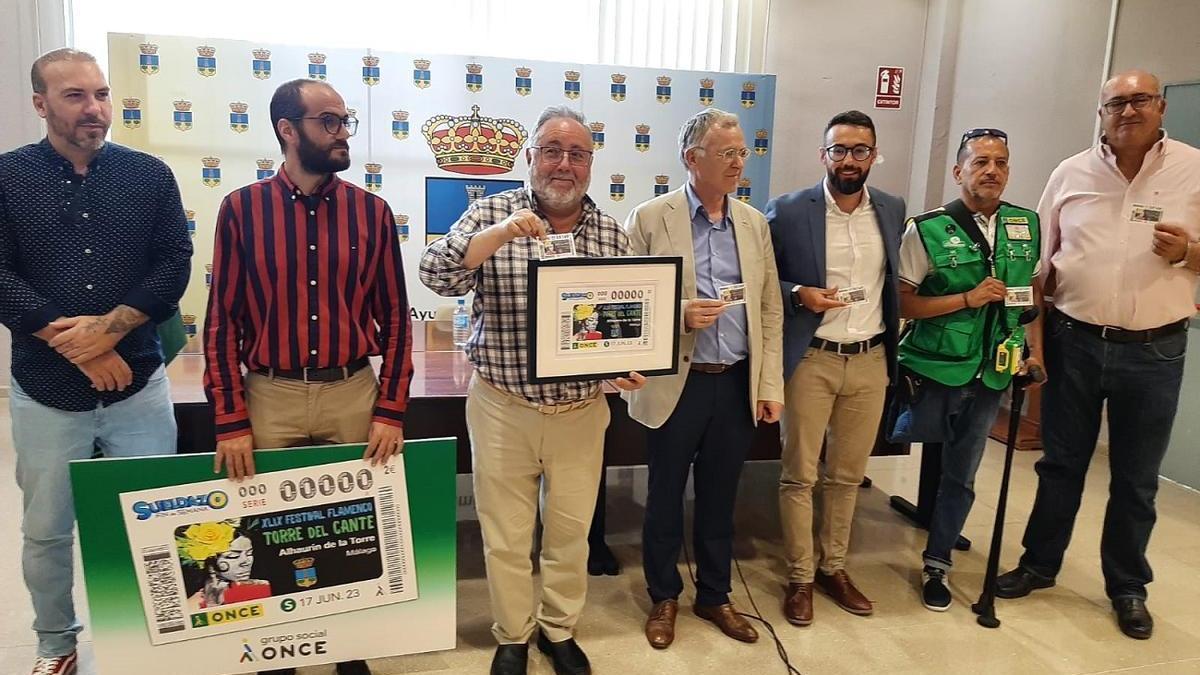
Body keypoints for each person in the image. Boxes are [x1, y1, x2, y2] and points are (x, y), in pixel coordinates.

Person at [419, 105, 644, 675]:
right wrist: (497, 236)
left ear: (591, 163)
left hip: (581, 410)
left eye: (577, 154)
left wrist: (620, 366)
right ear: (530, 157)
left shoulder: (611, 234)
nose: (563, 165)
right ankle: (513, 636)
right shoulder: (490, 211)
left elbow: (618, 325)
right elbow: (437, 275)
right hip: (503, 405)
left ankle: (558, 630)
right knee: (506, 535)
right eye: (552, 151)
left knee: (570, 532)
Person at [203, 78, 412, 675]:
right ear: (286, 130)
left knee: (352, 529)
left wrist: (390, 407)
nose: (343, 131)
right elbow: (221, 322)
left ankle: (349, 651)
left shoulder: (371, 213)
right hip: (270, 394)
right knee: (269, 533)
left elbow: (396, 318)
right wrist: (230, 419)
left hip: (352, 391)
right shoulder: (241, 209)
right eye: (328, 121)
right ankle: (279, 656)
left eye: (345, 119)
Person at [0, 48, 191, 675]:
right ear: (41, 104)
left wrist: (108, 333)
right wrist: (76, 349)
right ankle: (57, 645)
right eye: (76, 96)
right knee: (48, 532)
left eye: (102, 94)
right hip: (46, 390)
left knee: (153, 523)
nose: (96, 109)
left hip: (138, 384)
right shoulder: (7, 177)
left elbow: (173, 265)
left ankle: (151, 640)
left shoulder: (149, 175)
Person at [996, 69, 1200, 640]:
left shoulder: (1194, 168)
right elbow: (1038, 268)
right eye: (1116, 103)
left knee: (1136, 478)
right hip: (1075, 341)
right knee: (1061, 463)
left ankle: (1128, 586)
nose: (1127, 111)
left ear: (1161, 107)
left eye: (1139, 100)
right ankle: (1040, 563)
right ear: (1101, 112)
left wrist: (1189, 252)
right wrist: (1032, 346)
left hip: (1155, 349)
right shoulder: (1070, 173)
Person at [625, 108, 784, 650]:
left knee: (721, 496)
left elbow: (768, 309)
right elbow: (625, 305)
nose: (739, 163)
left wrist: (769, 386)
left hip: (736, 381)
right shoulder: (650, 218)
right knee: (665, 494)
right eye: (726, 153)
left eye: (742, 153)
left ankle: (714, 595)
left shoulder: (753, 222)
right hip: (678, 382)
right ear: (692, 159)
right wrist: (677, 315)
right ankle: (663, 595)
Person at [889, 127, 1043, 611]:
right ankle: (924, 519)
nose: (991, 171)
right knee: (904, 437)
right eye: (980, 162)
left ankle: (937, 562)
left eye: (1000, 162)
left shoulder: (1027, 224)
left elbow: (1030, 297)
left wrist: (1033, 352)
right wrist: (967, 298)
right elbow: (904, 303)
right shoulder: (929, 228)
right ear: (959, 172)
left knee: (963, 472)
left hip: (994, 370)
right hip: (936, 366)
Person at [766, 110, 905, 626]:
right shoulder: (786, 210)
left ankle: (835, 567)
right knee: (799, 476)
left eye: (860, 150)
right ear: (823, 155)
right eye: (839, 150)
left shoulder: (892, 208)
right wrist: (799, 293)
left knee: (847, 476)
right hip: (812, 359)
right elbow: (763, 283)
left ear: (874, 155)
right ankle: (800, 576)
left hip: (870, 360)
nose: (849, 160)